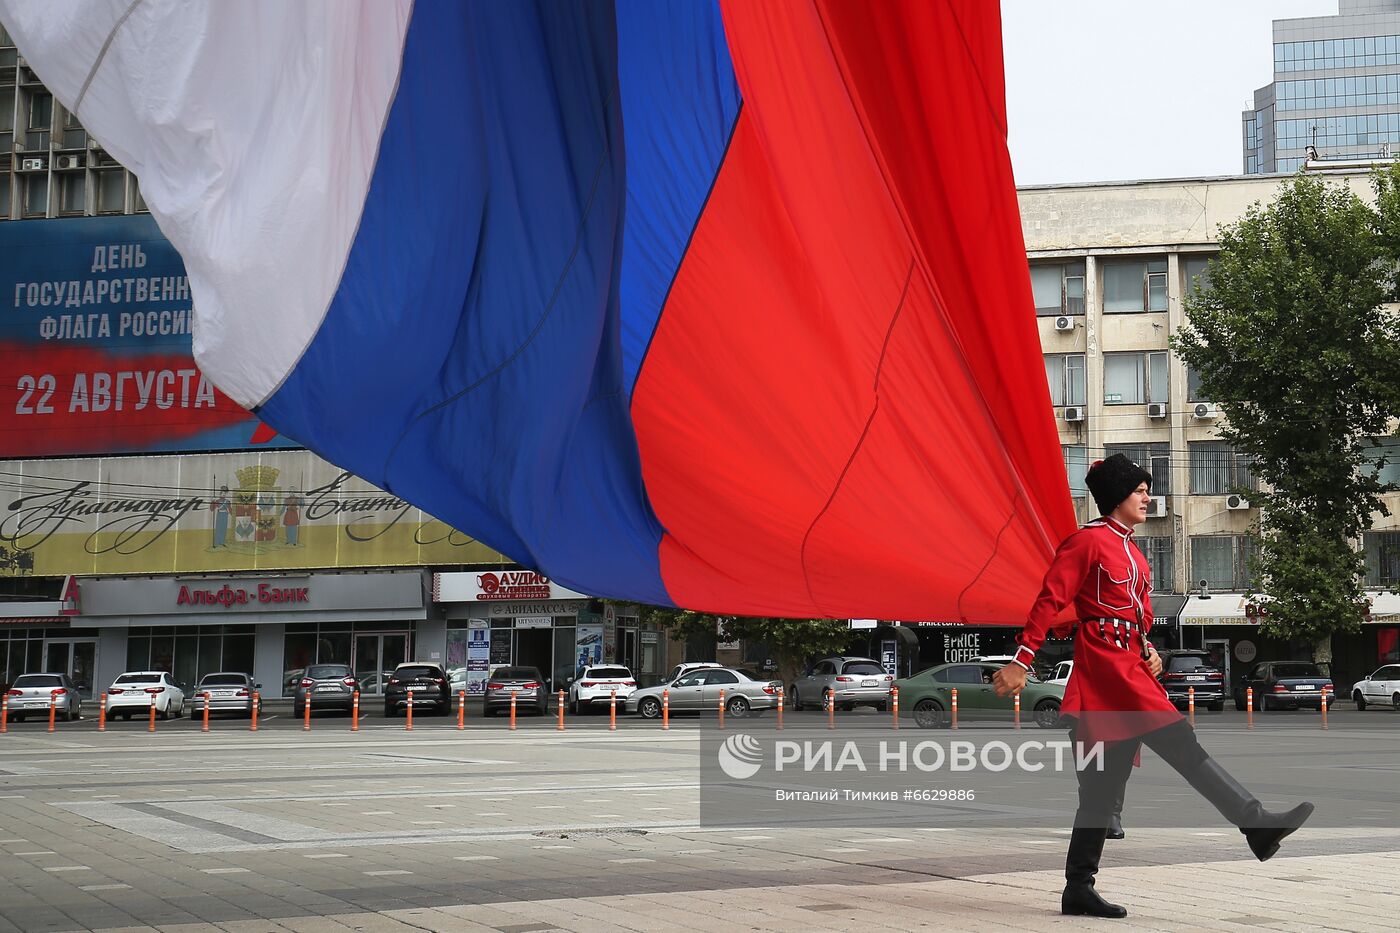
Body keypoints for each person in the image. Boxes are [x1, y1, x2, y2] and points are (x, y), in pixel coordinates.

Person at [992, 454, 1313, 920]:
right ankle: (1255, 823)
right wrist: (1022, 660)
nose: (1148, 497)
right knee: (1180, 744)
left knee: (1100, 792)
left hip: (1130, 669)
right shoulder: (1087, 542)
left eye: (1147, 489)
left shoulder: (1136, 553)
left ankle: (1077, 888)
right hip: (1105, 670)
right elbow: (1050, 600)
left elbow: (1136, 617)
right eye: (1140, 490)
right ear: (1116, 497)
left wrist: (1149, 648)